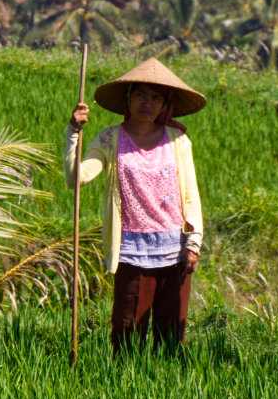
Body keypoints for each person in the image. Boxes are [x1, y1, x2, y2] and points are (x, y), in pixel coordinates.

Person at [66, 58, 204, 352]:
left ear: (165, 104)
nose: (148, 103)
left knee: (171, 335)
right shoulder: (110, 138)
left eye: (156, 97)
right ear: (128, 97)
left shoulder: (177, 140)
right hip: (131, 249)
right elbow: (77, 177)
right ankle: (124, 388)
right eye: (141, 94)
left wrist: (194, 242)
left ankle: (168, 389)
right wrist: (73, 133)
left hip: (175, 248)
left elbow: (191, 194)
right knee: (127, 332)